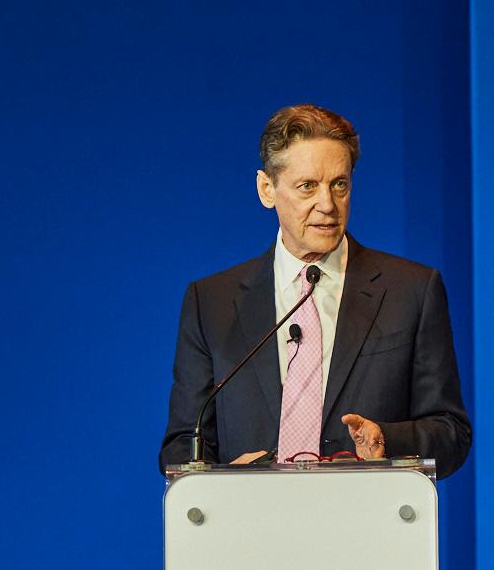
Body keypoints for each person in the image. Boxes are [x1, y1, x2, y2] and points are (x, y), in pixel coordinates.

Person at [161, 105, 470, 476]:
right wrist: (222, 476)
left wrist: (384, 441)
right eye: (307, 186)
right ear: (267, 189)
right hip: (250, 524)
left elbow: (451, 433)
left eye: (339, 184)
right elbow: (183, 443)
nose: (327, 204)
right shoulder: (212, 303)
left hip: (367, 523)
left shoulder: (412, 291)